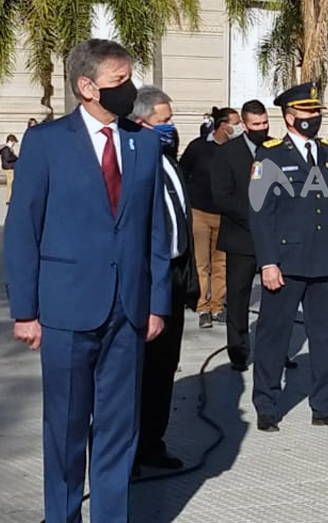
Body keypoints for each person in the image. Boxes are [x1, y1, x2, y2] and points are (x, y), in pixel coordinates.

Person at [4, 38, 170, 523]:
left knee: (120, 428)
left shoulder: (143, 142)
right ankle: (62, 515)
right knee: (66, 428)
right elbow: (23, 231)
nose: (130, 89)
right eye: (119, 82)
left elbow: (154, 229)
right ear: (86, 87)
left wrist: (157, 302)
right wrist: (25, 312)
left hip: (128, 311)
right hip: (66, 311)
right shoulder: (47, 142)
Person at [249, 81, 328, 432]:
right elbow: (260, 213)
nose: (315, 117)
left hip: (322, 259)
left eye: (317, 112)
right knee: (273, 335)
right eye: (308, 112)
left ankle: (325, 406)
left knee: (323, 336)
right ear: (290, 116)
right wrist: (267, 262)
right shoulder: (271, 155)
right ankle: (266, 403)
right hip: (285, 261)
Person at [130, 85, 200, 472]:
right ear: (141, 123)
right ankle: (129, 449)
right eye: (164, 121)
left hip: (173, 274)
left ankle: (153, 443)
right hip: (144, 279)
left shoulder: (169, 160)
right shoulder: (134, 162)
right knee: (138, 369)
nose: (171, 128)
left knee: (164, 366)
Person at [211, 99, 271, 371]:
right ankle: (238, 351)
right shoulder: (227, 153)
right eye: (256, 124)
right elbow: (222, 196)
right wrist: (254, 220)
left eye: (265, 123)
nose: (262, 128)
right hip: (241, 236)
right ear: (244, 125)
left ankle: (275, 351)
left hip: (273, 237)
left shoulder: (277, 149)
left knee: (277, 297)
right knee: (238, 297)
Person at [180, 106, 240, 328]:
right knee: (200, 263)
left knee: (221, 263)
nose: (240, 127)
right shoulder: (198, 147)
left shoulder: (236, 149)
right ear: (224, 126)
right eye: (236, 122)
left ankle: (217, 306)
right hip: (200, 213)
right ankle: (202, 307)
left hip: (225, 215)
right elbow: (183, 172)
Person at [0, 134, 19, 205]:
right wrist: (16, 158)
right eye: (13, 142)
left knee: (11, 184)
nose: (14, 144)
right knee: (10, 184)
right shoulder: (6, 149)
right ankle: (8, 199)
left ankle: (10, 198)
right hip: (9, 167)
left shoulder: (8, 149)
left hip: (10, 167)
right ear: (10, 141)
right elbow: (8, 158)